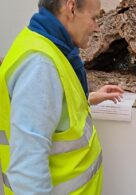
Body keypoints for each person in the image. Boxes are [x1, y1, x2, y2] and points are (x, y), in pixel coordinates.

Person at [0, 0, 123, 194]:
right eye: (93, 18)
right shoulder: (39, 65)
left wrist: (89, 98)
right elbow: (27, 168)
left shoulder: (48, 46)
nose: (97, 28)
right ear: (71, 7)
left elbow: (50, 109)